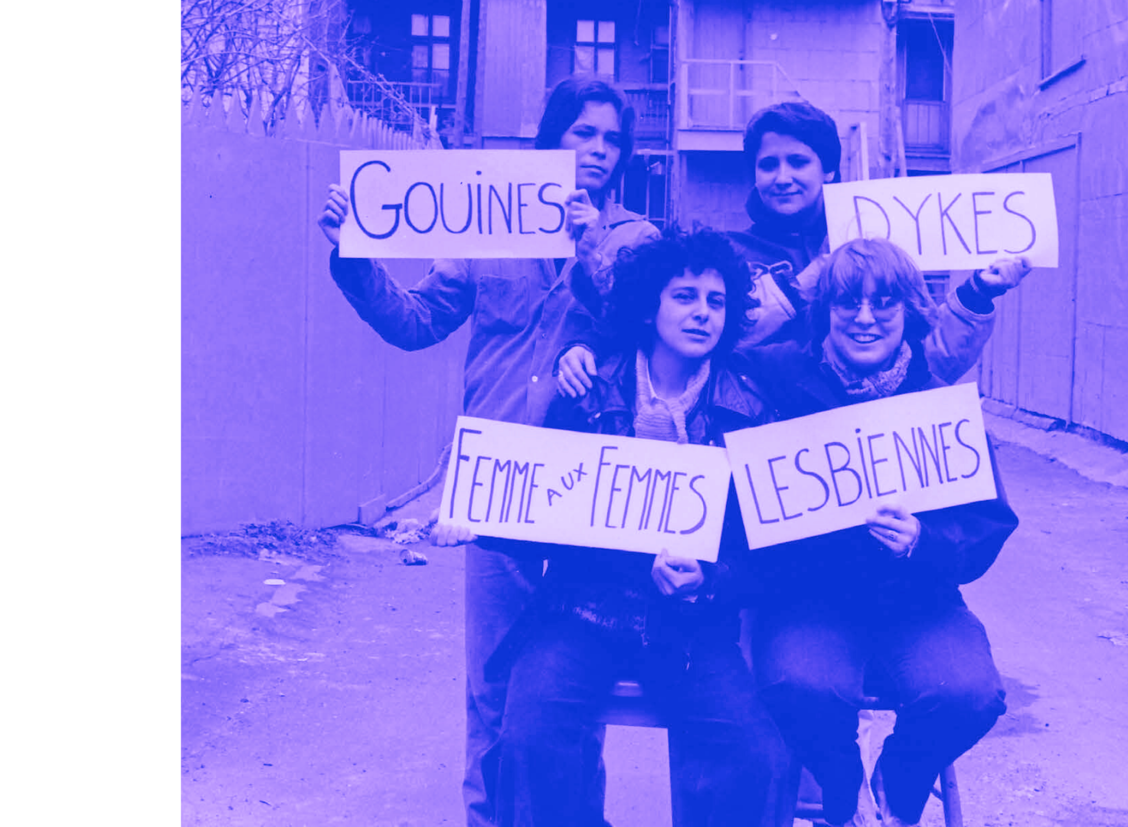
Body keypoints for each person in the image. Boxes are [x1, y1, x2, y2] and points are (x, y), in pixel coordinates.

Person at [315, 76, 660, 827]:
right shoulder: (489, 224)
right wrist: (353, 255)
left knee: (571, 685)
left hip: (584, 489)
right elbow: (414, 320)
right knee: (492, 684)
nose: (597, 151)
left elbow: (638, 316)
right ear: (550, 140)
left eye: (611, 141)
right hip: (496, 485)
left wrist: (588, 238)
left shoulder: (634, 238)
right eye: (582, 134)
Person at [490, 228, 790, 827]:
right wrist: (480, 523)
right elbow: (540, 520)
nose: (702, 312)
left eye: (716, 300)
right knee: (530, 739)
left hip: (690, 629)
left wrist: (708, 580)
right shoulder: (586, 389)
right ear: (649, 305)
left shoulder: (750, 408)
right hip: (580, 614)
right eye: (684, 296)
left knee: (761, 761)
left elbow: (765, 556)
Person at [742, 238, 1020, 827]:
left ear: (909, 312)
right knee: (799, 684)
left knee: (968, 693)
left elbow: (988, 522)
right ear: (826, 312)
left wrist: (924, 541)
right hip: (809, 600)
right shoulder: (779, 380)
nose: (865, 318)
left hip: (917, 600)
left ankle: (899, 783)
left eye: (883, 303)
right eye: (848, 303)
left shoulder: (936, 404)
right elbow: (715, 345)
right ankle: (845, 796)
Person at [554, 99, 1030, 400]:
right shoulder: (726, 257)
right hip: (763, 449)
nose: (782, 177)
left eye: (798, 162)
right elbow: (681, 334)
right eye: (768, 165)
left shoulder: (874, 254)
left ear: (829, 170)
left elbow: (929, 358)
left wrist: (975, 297)